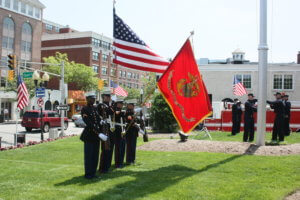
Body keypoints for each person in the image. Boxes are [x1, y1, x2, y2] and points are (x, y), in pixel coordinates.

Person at [80, 92, 102, 179]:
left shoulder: (95, 108)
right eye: (91, 98)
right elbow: (88, 122)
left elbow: (98, 119)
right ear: (87, 99)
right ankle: (88, 174)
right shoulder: (84, 109)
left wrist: (101, 122)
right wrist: (97, 130)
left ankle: (93, 172)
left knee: (95, 155)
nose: (93, 100)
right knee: (89, 156)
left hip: (96, 136)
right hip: (89, 135)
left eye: (94, 98)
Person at [98, 90, 115, 173]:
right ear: (103, 97)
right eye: (107, 96)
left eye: (109, 97)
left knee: (109, 148)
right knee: (105, 148)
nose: (109, 98)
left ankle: (107, 166)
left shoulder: (109, 106)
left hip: (110, 128)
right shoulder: (101, 105)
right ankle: (102, 168)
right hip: (104, 128)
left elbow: (112, 112)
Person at [125, 100, 139, 165]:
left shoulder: (134, 112)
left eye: (132, 105)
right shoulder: (127, 112)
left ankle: (133, 159)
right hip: (129, 131)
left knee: (133, 146)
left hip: (134, 131)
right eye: (130, 105)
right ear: (128, 106)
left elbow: (137, 120)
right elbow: (130, 120)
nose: (131, 106)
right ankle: (129, 160)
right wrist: (134, 120)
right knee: (129, 146)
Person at [114, 98, 126, 168]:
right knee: (118, 147)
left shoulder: (121, 111)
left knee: (123, 146)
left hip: (122, 129)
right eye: (120, 104)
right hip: (118, 130)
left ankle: (121, 161)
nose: (121, 105)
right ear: (117, 104)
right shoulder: (116, 110)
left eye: (122, 104)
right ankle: (118, 163)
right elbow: (117, 114)